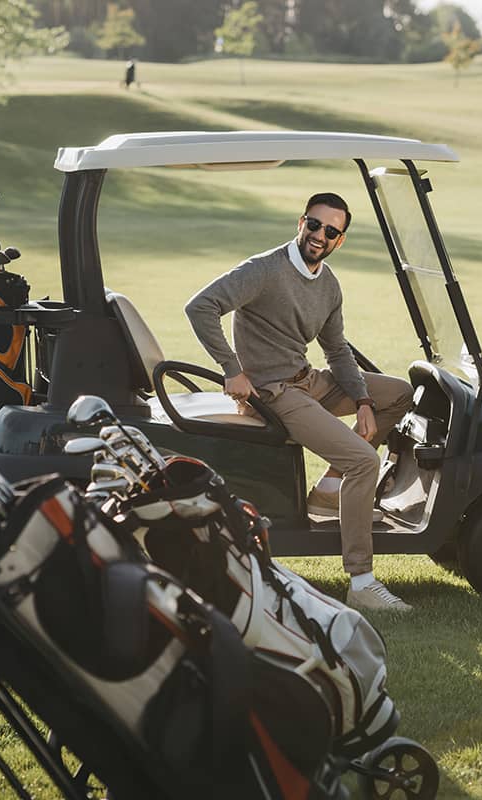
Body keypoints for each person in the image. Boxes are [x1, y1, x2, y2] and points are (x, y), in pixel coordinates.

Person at [185, 192, 414, 613]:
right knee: (363, 461)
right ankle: (362, 581)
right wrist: (231, 368)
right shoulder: (264, 270)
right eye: (313, 224)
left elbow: (337, 350)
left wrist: (363, 399)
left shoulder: (328, 285)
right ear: (300, 222)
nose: (319, 235)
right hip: (272, 395)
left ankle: (329, 491)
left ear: (339, 240)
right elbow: (201, 306)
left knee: (397, 392)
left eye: (330, 231)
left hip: (307, 381)